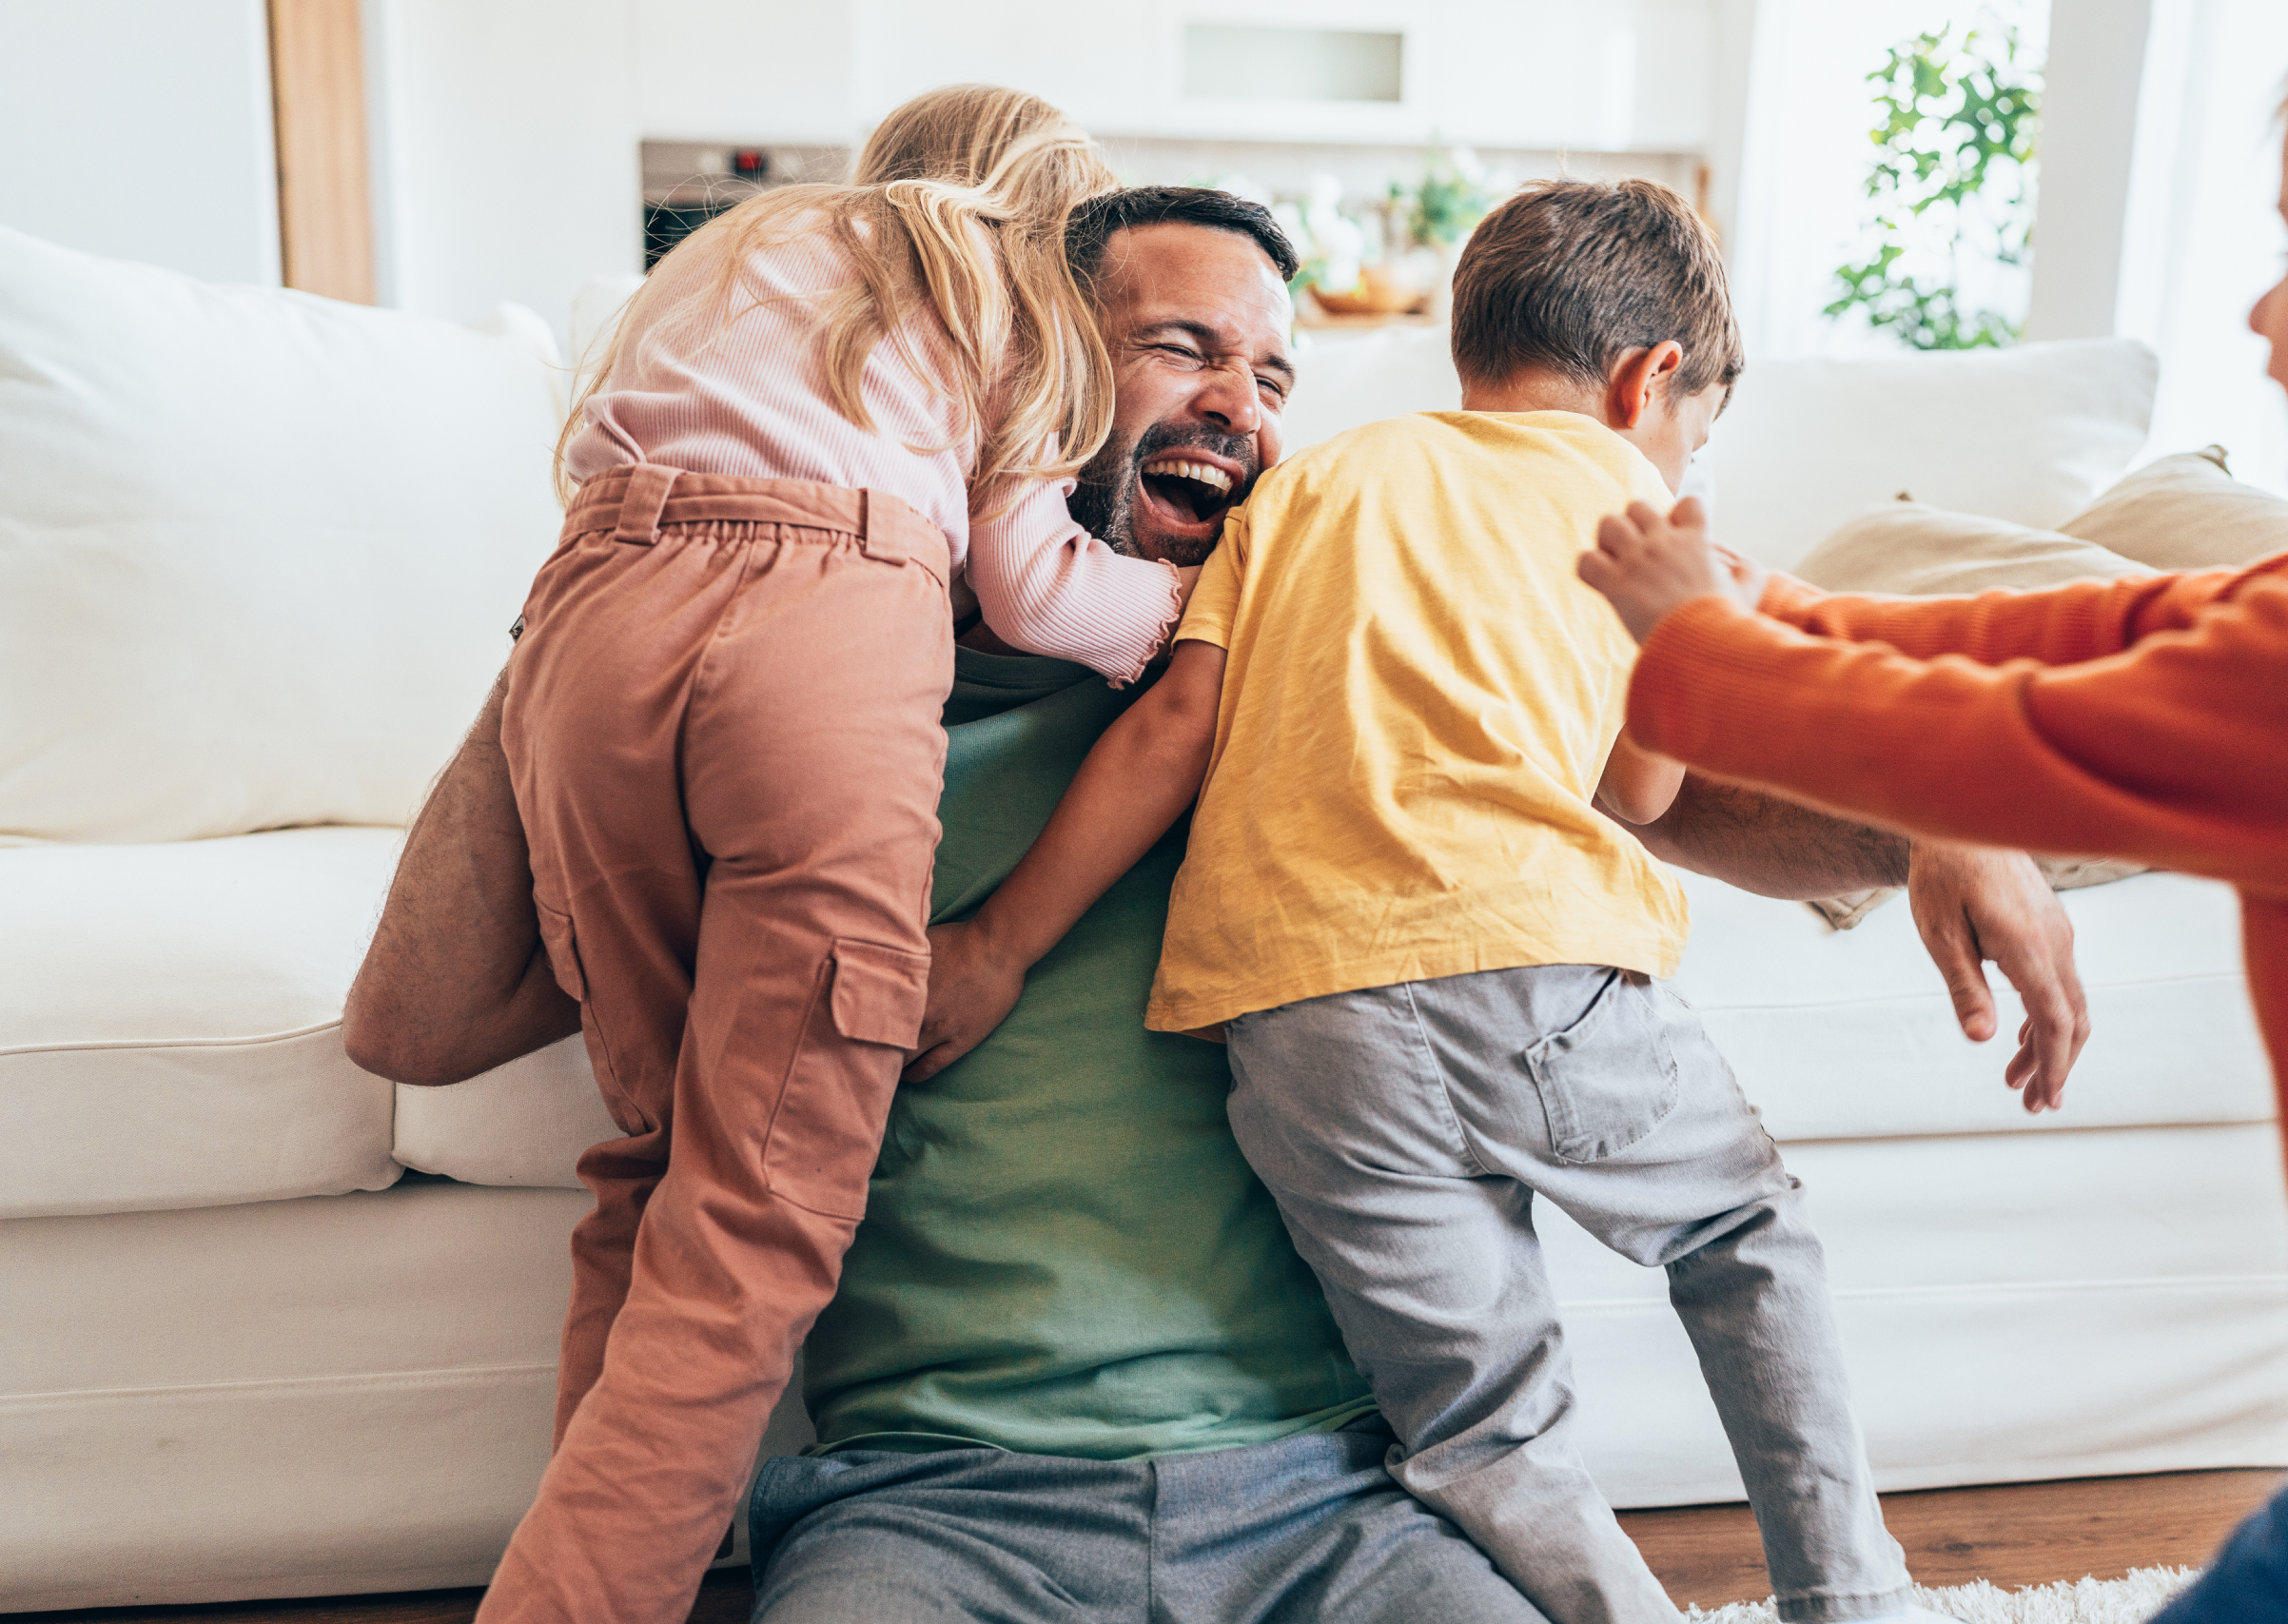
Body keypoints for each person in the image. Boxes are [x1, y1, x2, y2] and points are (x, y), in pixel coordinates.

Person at [345, 180, 2092, 1624]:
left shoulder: (1323, 669)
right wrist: (619, 577)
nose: (1242, 409)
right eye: (1180, 348)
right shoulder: (828, 735)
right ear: (1019, 382)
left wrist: (1950, 818)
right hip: (939, 1507)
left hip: (1337, 1498)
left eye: (1273, 374)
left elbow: (1717, 761)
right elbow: (425, 1020)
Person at [911, 180, 1954, 1624]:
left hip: (1292, 1033)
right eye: (1690, 427)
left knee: (1481, 1428)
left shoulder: (1312, 488)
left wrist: (995, 942)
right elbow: (1644, 790)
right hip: (1537, 970)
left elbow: (1173, 733)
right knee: (1741, 1242)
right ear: (1650, 384)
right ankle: (1851, 1599)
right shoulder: (1633, 500)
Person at [1575, 7, 2288, 1620]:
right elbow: (2062, 629)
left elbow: (1998, 734)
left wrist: (1701, 657)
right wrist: (1761, 600)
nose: (2255, 314)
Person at [480, 88, 1205, 1624]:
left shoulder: (741, 249)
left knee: (659, 1151)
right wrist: (1198, 631)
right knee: (754, 1219)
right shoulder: (1002, 277)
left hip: (587, 622)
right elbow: (1026, 594)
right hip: (823, 625)